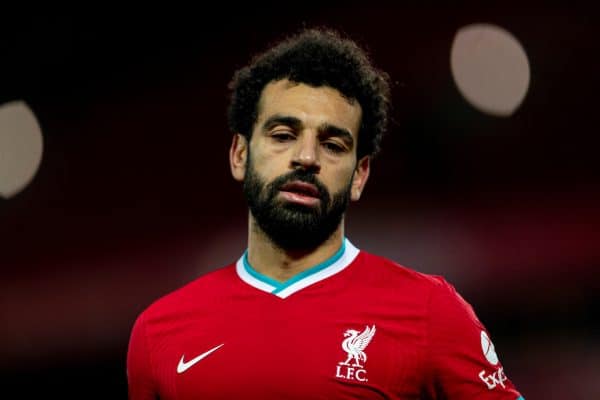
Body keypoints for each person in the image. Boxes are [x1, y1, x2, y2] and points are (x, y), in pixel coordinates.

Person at [126, 27, 524, 399]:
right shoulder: (159, 332)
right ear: (240, 154)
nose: (306, 157)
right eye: (283, 136)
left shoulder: (430, 312)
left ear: (359, 175)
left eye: (333, 144)